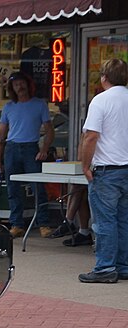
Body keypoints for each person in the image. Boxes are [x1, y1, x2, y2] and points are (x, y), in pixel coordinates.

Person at [78, 58, 128, 283]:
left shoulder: (100, 101)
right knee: (124, 220)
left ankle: (105, 268)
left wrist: (85, 165)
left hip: (108, 169)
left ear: (104, 78)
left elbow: (91, 136)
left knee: (104, 221)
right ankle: (123, 265)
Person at [0, 71, 54, 238]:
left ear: (28, 84)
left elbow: (49, 131)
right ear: (12, 88)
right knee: (12, 188)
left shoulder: (39, 104)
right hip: (12, 148)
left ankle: (44, 224)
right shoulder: (9, 107)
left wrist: (44, 150)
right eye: (15, 84)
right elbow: (0, 135)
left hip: (31, 148)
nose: (19, 86)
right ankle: (17, 224)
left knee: (38, 188)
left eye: (21, 82)